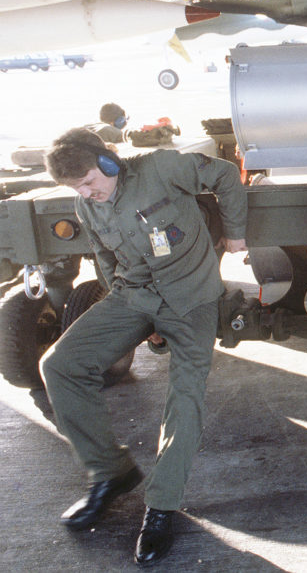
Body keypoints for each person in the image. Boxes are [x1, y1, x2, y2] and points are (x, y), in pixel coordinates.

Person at [41, 127, 247, 566]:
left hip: (191, 298)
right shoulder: (86, 204)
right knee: (59, 364)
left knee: (184, 395)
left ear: (108, 161)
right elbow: (106, 260)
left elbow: (226, 175)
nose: (86, 193)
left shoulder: (160, 168)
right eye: (76, 188)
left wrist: (236, 234)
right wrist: (136, 321)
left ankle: (161, 506)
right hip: (133, 297)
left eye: (89, 181)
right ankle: (109, 473)